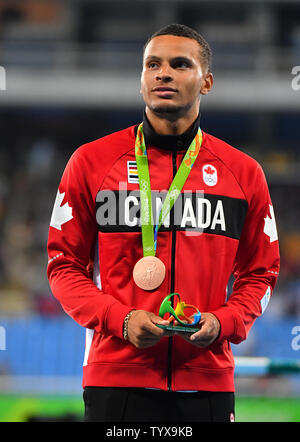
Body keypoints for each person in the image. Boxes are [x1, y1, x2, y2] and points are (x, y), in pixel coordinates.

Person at [47, 24, 280, 422]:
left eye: (179, 64)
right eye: (152, 64)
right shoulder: (91, 163)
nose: (163, 73)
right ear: (141, 81)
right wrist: (120, 320)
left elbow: (261, 273)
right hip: (114, 382)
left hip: (206, 381)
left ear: (206, 82)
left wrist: (223, 321)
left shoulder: (243, 173)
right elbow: (64, 268)